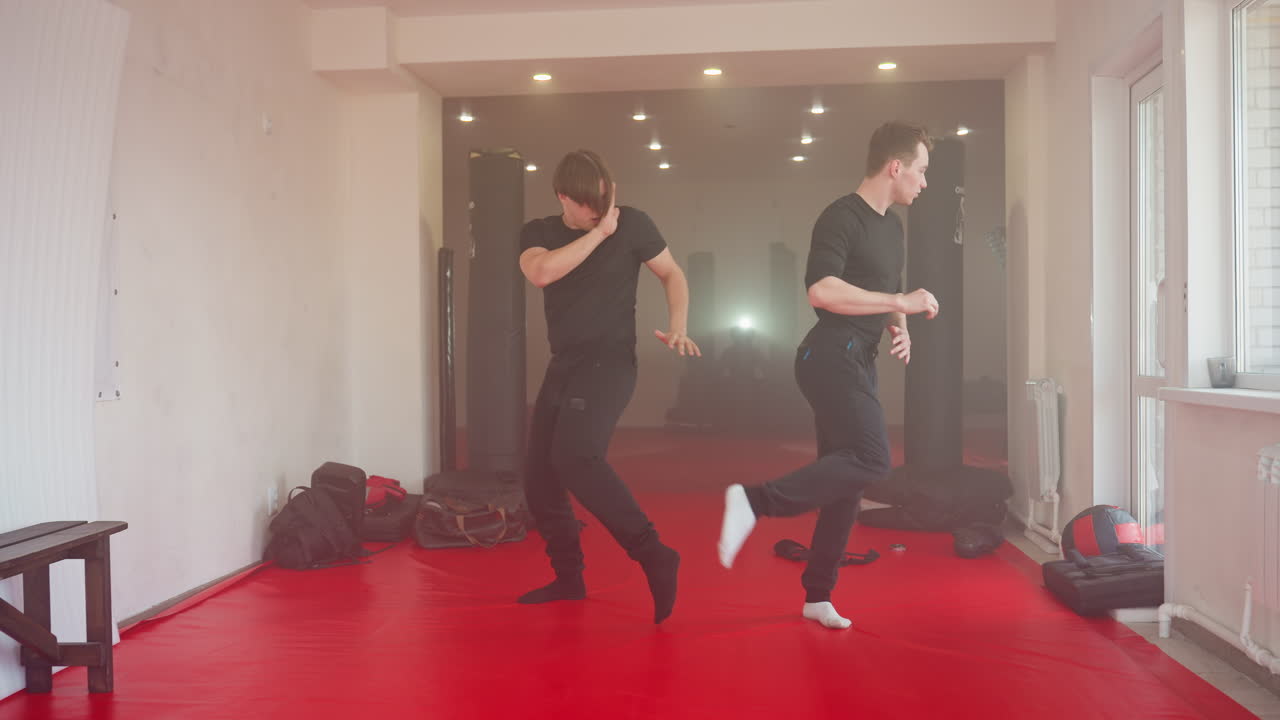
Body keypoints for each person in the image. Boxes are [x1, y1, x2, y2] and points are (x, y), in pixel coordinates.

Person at [717, 121, 940, 629]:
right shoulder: (841, 217)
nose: (924, 183)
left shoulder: (891, 227)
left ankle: (818, 595)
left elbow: (886, 286)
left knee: (847, 482)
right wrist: (897, 303)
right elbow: (822, 290)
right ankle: (752, 501)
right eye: (922, 171)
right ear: (896, 166)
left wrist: (898, 323)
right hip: (828, 355)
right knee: (871, 458)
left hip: (856, 356)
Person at [517, 149, 701, 624]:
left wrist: (678, 322)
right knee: (539, 478)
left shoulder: (633, 223)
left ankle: (655, 553)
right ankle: (570, 578)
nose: (601, 214)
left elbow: (671, 272)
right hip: (565, 365)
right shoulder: (540, 233)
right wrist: (599, 234)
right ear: (564, 198)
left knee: (576, 457)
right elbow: (541, 272)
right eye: (589, 208)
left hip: (610, 363)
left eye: (605, 204)